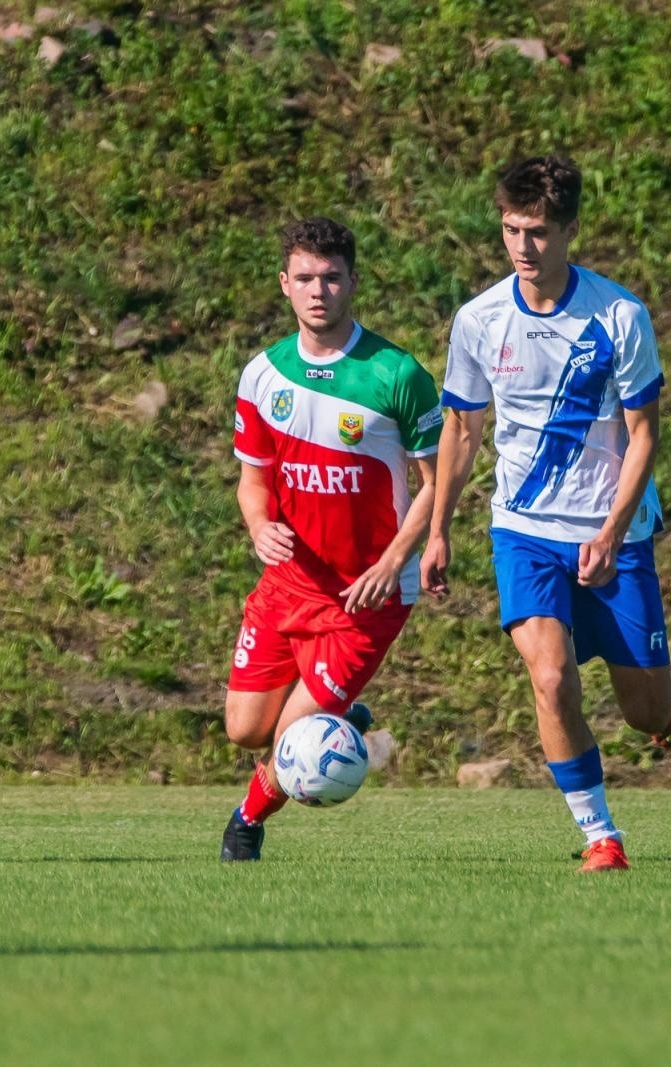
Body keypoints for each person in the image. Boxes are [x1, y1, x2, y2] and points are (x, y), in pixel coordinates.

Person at [421, 155, 671, 874]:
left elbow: (644, 436)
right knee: (549, 676)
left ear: (569, 230)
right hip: (524, 529)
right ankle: (601, 833)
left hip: (614, 533)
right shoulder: (478, 319)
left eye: (537, 232)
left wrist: (608, 530)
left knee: (646, 713)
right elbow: (463, 429)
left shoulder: (619, 315)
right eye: (511, 230)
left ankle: (665, 706)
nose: (522, 247)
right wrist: (439, 526)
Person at [220, 217, 443, 861]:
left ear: (354, 282)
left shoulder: (396, 374)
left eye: (333, 277)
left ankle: (245, 825)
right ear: (284, 284)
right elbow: (252, 483)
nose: (320, 290)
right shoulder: (263, 375)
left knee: (292, 742)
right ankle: (347, 715)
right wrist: (260, 528)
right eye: (307, 278)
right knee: (245, 729)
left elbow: (437, 484)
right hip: (288, 586)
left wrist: (394, 560)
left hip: (365, 599)